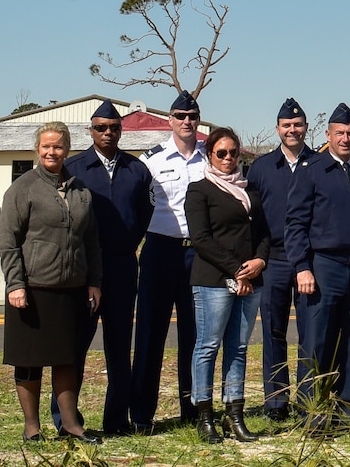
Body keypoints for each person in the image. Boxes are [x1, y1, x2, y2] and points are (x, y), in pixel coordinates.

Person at [0, 122, 102, 445]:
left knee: (66, 359)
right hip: (31, 290)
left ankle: (71, 424)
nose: (51, 152)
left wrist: (93, 281)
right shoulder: (23, 188)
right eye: (45, 146)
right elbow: (6, 241)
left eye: (57, 146)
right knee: (29, 361)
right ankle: (32, 428)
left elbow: (91, 242)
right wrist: (15, 284)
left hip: (70, 291)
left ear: (67, 150)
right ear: (37, 149)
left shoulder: (81, 191)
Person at [286, 103, 350, 427]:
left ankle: (343, 408)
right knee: (317, 342)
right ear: (328, 135)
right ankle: (311, 413)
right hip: (323, 266)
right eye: (339, 133)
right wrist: (302, 266)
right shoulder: (312, 171)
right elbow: (296, 223)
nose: (345, 138)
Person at [64, 100, 152, 436]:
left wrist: (127, 242)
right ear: (91, 131)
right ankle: (67, 421)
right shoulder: (75, 168)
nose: (108, 133)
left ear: (121, 131)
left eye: (114, 128)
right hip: (84, 270)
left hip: (121, 266)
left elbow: (144, 214)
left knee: (118, 348)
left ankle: (116, 420)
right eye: (101, 128)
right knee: (75, 348)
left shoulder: (136, 169)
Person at [184, 127, 271, 444]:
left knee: (238, 349)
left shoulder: (251, 192)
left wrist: (260, 261)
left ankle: (235, 415)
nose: (228, 158)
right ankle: (204, 416)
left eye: (233, 152)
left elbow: (264, 234)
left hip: (251, 279)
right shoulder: (199, 190)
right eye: (221, 153)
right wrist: (236, 271)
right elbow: (201, 239)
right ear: (210, 155)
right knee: (208, 347)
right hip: (214, 281)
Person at [131, 89, 206, 431]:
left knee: (195, 336)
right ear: (170, 121)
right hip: (160, 251)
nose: (187, 122)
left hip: (198, 255)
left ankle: (192, 410)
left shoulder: (210, 157)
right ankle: (142, 414)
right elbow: (137, 206)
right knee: (150, 334)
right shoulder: (152, 160)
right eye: (180, 117)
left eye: (192, 117)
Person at [244, 98, 316, 422]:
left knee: (308, 333)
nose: (292, 130)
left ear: (306, 127)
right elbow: (251, 219)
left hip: (308, 262)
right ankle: (276, 402)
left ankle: (306, 401)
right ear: (278, 129)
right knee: (273, 332)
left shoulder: (320, 164)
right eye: (286, 125)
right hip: (272, 259)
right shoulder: (260, 168)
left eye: (297, 125)